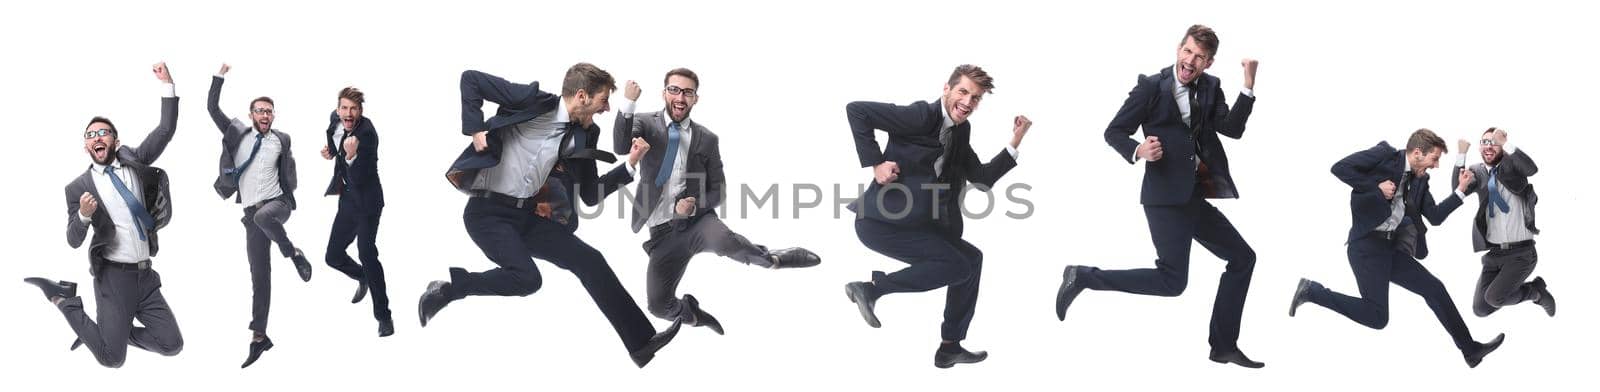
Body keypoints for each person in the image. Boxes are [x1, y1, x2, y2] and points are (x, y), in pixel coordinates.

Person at [419, 64, 679, 368]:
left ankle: (641, 344)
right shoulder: (531, 101)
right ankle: (449, 289)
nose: (606, 108)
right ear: (582, 96)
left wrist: (630, 165)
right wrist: (476, 128)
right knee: (528, 279)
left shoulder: (585, 134)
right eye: (603, 100)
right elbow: (471, 80)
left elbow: (590, 194)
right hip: (486, 214)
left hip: (529, 217)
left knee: (590, 260)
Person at [1053, 24, 1266, 368]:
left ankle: (1223, 345)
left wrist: (1248, 86)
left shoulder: (1211, 87)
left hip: (1195, 196)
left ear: (1208, 63)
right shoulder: (1150, 87)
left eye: (1200, 57)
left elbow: (1233, 129)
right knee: (1172, 281)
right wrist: (1138, 149)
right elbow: (1113, 131)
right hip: (1165, 199)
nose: (1191, 61)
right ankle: (1083, 276)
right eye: (1188, 52)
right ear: (1178, 49)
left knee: (1243, 258)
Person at [841, 64, 1031, 368]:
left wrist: (1016, 140)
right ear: (947, 89)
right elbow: (857, 111)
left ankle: (950, 346)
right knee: (956, 265)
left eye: (976, 98)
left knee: (972, 260)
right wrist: (875, 163)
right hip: (880, 223)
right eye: (963, 92)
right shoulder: (919, 116)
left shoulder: (960, 130)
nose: (968, 102)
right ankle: (872, 289)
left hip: (919, 223)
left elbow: (981, 179)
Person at [611, 68, 821, 335]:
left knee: (725, 241)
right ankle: (693, 314)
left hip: (696, 222)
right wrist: (628, 102)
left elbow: (719, 192)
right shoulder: (645, 124)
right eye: (674, 89)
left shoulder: (707, 139)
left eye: (687, 92)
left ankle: (774, 260)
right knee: (658, 305)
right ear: (664, 93)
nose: (680, 96)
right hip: (661, 233)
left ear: (695, 99)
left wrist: (693, 206)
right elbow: (620, 146)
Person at [1288, 128, 1506, 368]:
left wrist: (1461, 192)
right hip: (1366, 248)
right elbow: (1340, 168)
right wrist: (1375, 187)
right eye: (1433, 159)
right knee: (1377, 317)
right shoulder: (1385, 155)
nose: (1435, 166)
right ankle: (1312, 291)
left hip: (1389, 247)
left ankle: (1470, 350)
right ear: (1416, 153)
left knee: (1434, 288)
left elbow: (1434, 216)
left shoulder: (1419, 179)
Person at [23, 62, 184, 368]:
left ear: (115, 141)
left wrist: (167, 85)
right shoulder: (77, 188)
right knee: (112, 358)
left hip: (146, 276)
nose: (97, 137)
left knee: (172, 344)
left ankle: (100, 334)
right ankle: (64, 299)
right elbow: (73, 239)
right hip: (113, 278)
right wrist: (83, 216)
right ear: (86, 146)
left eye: (104, 133)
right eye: (91, 135)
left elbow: (166, 129)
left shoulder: (135, 161)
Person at [207, 63, 312, 368]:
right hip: (251, 213)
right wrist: (219, 75)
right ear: (251, 114)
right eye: (260, 111)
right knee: (259, 275)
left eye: (269, 111)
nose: (265, 115)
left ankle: (294, 253)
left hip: (277, 205)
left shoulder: (282, 139)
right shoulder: (237, 134)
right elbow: (212, 108)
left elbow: (288, 171)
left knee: (264, 218)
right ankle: (259, 337)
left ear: (273, 116)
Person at [1451, 128, 1554, 318]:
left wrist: (1506, 144)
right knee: (1481, 309)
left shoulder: (1512, 165)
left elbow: (1531, 169)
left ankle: (1536, 293)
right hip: (1495, 253)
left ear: (1502, 146)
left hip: (1521, 253)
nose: (1488, 147)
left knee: (1494, 298)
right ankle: (1532, 289)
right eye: (1484, 142)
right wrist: (1461, 156)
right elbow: (1458, 190)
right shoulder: (1478, 172)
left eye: (1494, 142)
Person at [320, 86, 395, 337]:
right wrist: (331, 151)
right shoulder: (335, 119)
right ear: (338, 108)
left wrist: (350, 156)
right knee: (332, 256)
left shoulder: (368, 135)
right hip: (347, 201)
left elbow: (361, 177)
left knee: (367, 253)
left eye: (353, 109)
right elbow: (333, 132)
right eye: (344, 108)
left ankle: (384, 317)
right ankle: (363, 278)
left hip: (368, 202)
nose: (348, 114)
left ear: (361, 111)